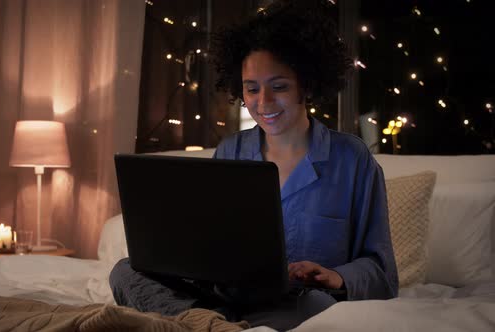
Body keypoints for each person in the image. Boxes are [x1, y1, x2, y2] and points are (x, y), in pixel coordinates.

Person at [110, 1, 398, 330]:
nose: (263, 103)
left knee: (319, 306)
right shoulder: (230, 150)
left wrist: (335, 276)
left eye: (279, 87)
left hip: (297, 301)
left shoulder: (352, 159)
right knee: (124, 270)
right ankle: (210, 321)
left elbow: (382, 272)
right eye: (251, 89)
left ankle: (202, 324)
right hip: (221, 298)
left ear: (306, 85)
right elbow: (207, 246)